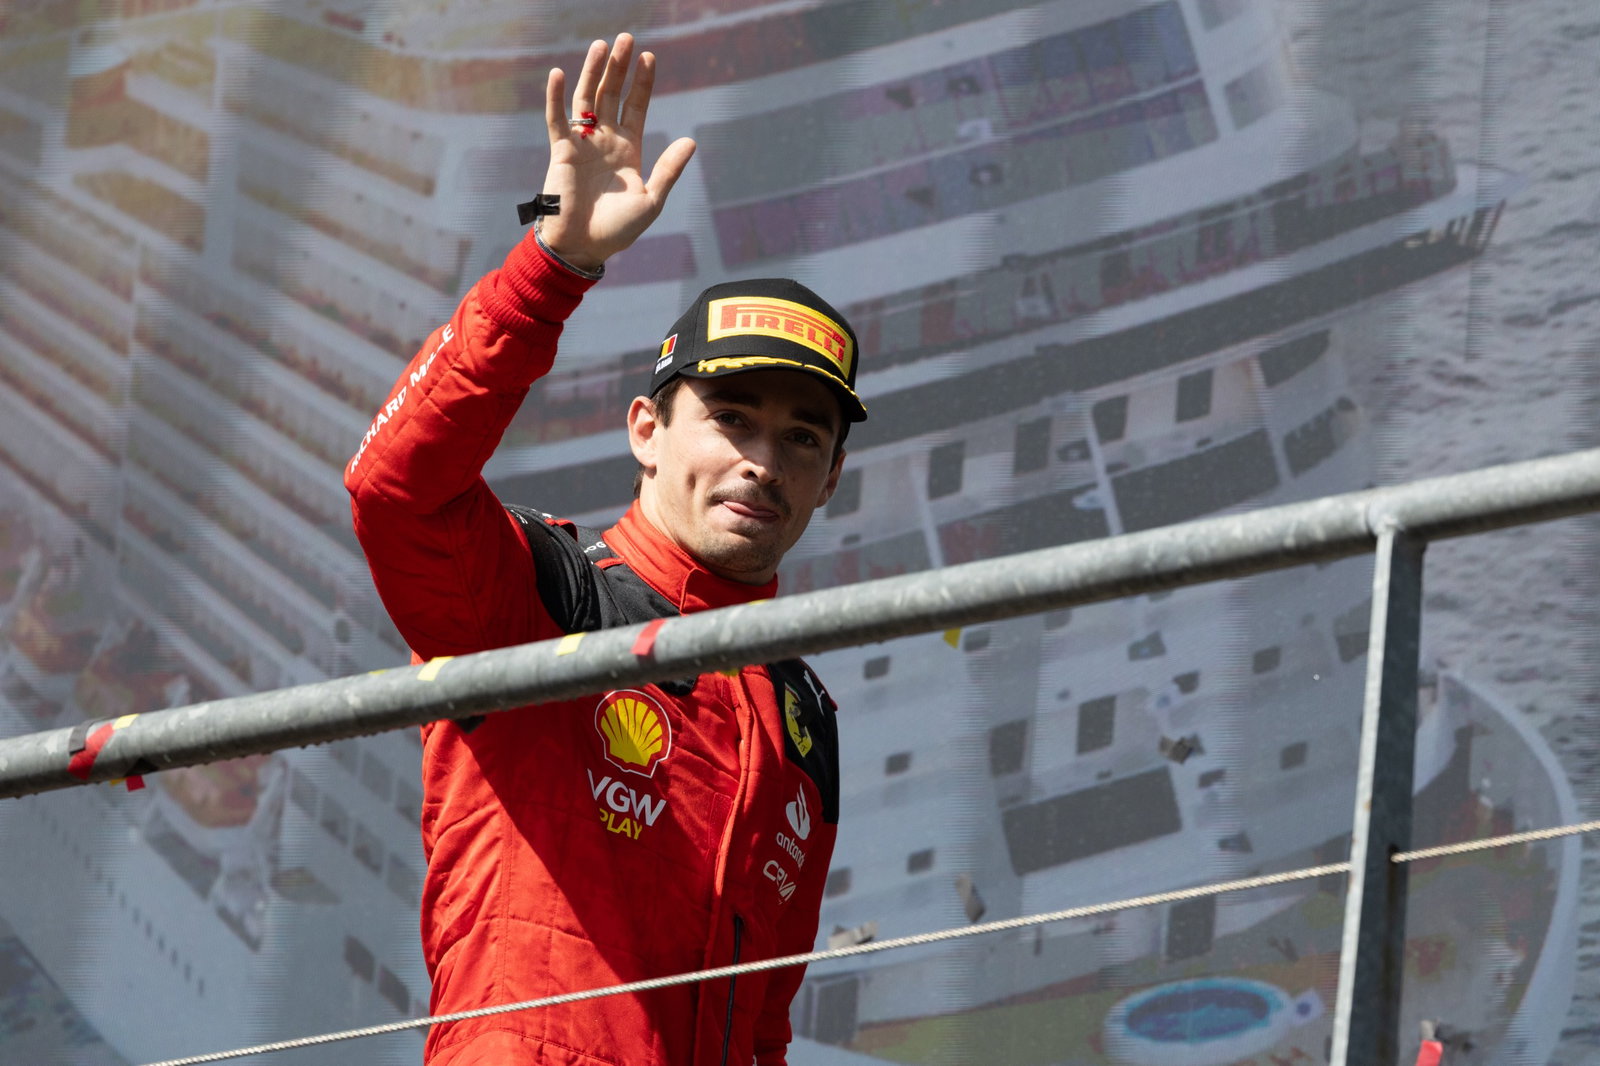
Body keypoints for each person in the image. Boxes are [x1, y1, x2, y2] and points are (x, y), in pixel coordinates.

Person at [344, 33, 866, 1066]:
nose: (762, 462)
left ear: (830, 478)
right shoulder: (543, 600)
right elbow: (394, 489)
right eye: (731, 418)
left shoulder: (804, 718)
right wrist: (554, 265)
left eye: (801, 438)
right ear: (645, 431)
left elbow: (764, 1023)